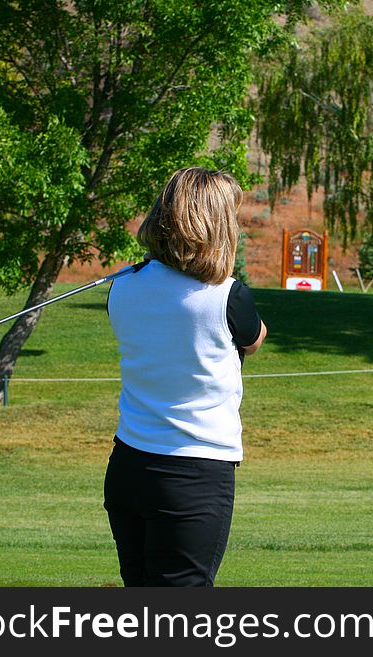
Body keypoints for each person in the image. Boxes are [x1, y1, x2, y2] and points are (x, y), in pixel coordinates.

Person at [103, 167, 267, 587]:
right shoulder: (229, 296)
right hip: (193, 476)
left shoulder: (121, 287)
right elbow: (253, 339)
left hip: (128, 468)